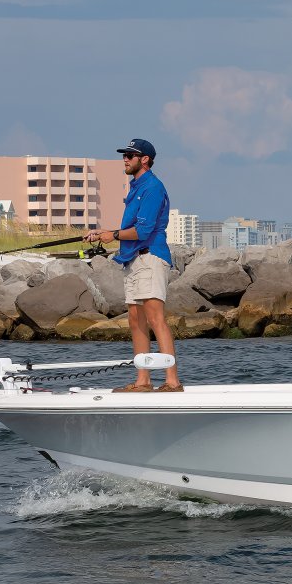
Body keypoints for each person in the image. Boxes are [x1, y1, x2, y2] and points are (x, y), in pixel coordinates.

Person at [86, 138, 183, 393]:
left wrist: (113, 235)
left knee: (155, 318)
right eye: (124, 155)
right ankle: (143, 381)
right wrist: (104, 233)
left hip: (150, 257)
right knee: (135, 319)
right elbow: (130, 229)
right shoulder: (136, 187)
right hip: (133, 259)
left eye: (130, 155)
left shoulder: (153, 187)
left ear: (145, 159)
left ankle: (172, 381)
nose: (125, 159)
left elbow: (143, 230)